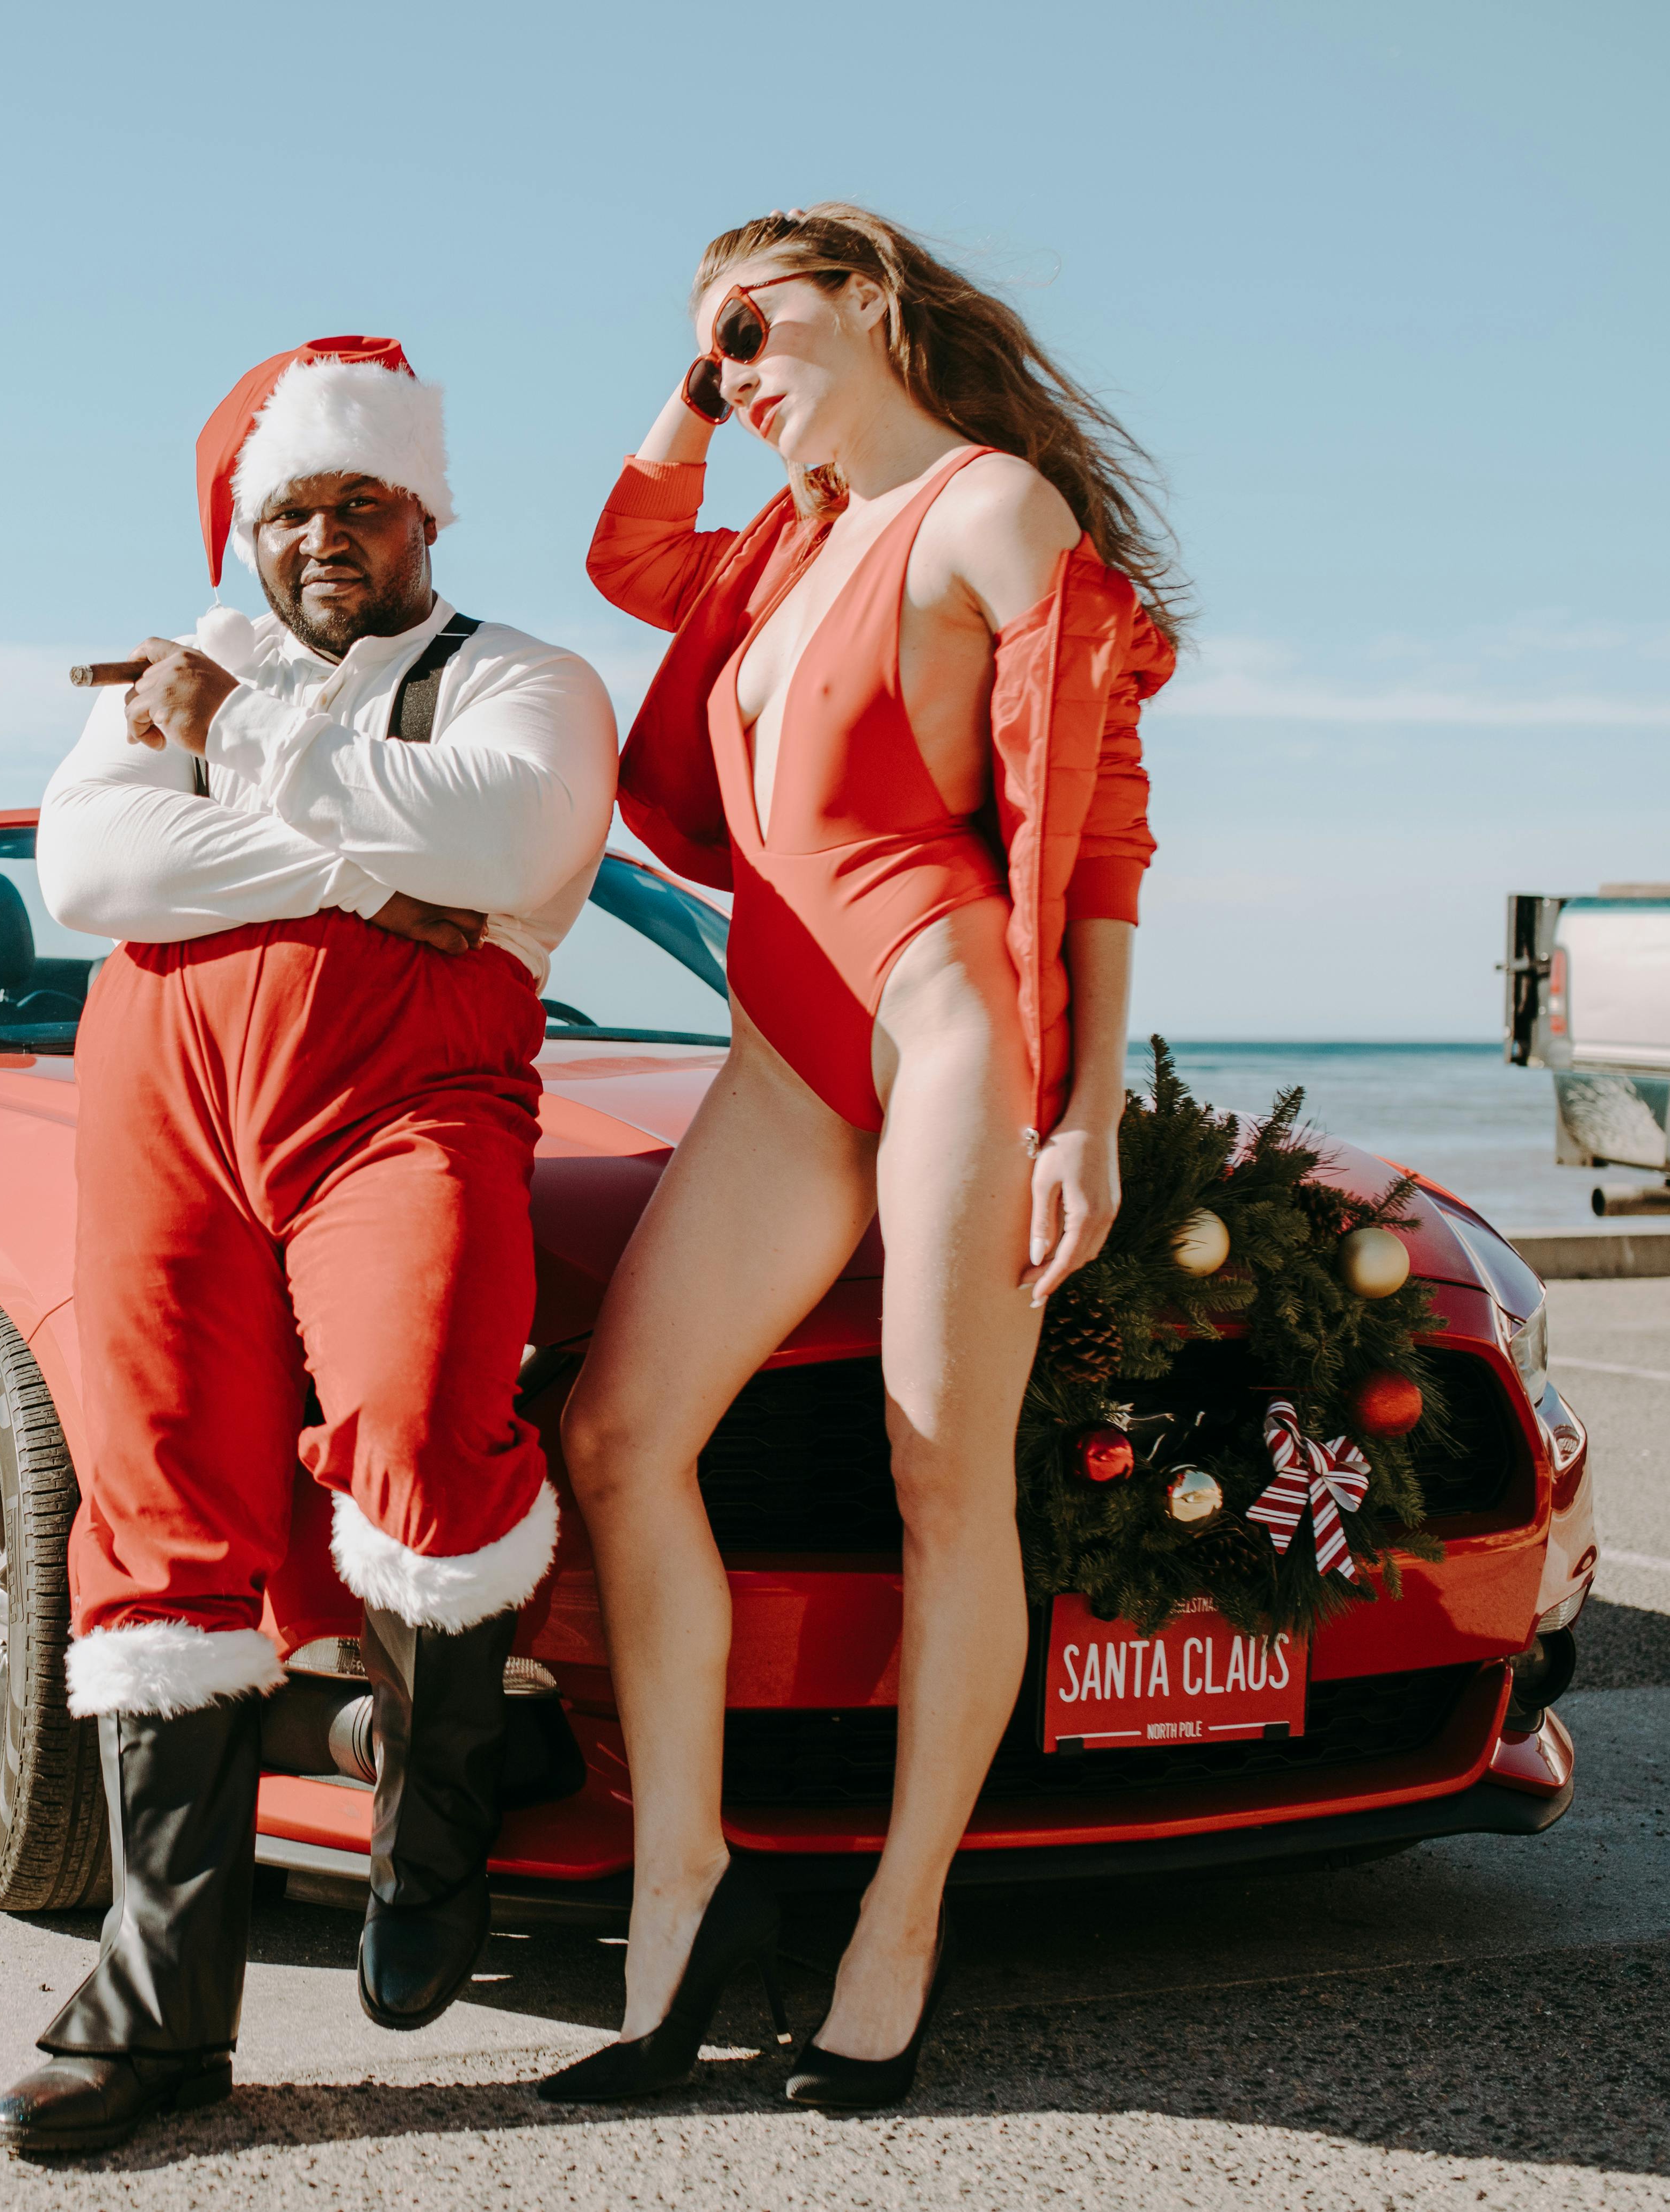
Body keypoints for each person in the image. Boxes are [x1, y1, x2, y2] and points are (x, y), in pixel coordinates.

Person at [541, 207, 1177, 2112]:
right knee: (619, 1440)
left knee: (936, 1479)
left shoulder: (991, 511)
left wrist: (1087, 1114)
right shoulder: (782, 539)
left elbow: (1108, 827)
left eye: (754, 324)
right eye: (709, 350)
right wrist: (696, 387)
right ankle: (687, 1897)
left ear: (872, 304)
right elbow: (625, 555)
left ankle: (899, 1928)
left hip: (948, 1033)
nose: (732, 373)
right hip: (782, 1051)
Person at [0, 336, 618, 2155]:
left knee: (424, 1431)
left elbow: (514, 829)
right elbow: (98, 874)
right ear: (250, 530)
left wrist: (239, 756)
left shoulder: (522, 672)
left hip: (407, 1110)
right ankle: (161, 2008)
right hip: (164, 1108)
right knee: (160, 1494)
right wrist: (373, 875)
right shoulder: (162, 680)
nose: (327, 534)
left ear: (424, 511)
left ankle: (439, 1814)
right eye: (293, 508)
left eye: (362, 501)